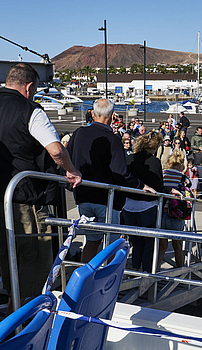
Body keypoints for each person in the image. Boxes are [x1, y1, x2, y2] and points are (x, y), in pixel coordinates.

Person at [0, 63, 82, 310]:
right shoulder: (30, 110)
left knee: (7, 255)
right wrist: (71, 170)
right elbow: (56, 150)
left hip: (2, 196)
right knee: (33, 257)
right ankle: (25, 314)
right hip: (26, 198)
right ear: (29, 87)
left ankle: (13, 308)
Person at [67, 99, 154, 263]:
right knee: (112, 245)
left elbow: (67, 162)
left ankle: (86, 280)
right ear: (113, 116)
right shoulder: (113, 140)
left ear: (92, 114)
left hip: (83, 196)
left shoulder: (78, 133)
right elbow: (120, 173)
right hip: (107, 199)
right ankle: (109, 284)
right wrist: (141, 186)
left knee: (92, 242)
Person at [124, 131, 182, 272]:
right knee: (149, 242)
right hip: (147, 206)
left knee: (136, 242)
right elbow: (157, 186)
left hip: (128, 206)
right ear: (154, 147)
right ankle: (147, 273)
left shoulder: (129, 159)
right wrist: (170, 191)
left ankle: (134, 270)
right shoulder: (154, 161)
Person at [158, 151, 191, 268]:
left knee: (162, 245)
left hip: (161, 213)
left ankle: (155, 269)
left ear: (168, 163)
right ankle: (179, 269)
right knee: (178, 245)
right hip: (176, 214)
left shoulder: (161, 174)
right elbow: (188, 187)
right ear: (182, 165)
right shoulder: (183, 177)